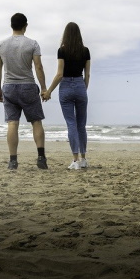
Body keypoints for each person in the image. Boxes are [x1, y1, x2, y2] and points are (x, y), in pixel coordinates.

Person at [0, 13, 48, 170]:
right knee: (36, 121)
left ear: (11, 25)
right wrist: (44, 88)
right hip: (28, 86)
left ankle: (13, 160)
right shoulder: (32, 44)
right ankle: (41, 157)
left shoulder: (0, 45)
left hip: (9, 86)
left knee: (12, 123)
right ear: (26, 25)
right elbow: (38, 67)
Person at [44, 22, 91, 170]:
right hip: (80, 85)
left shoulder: (62, 51)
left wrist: (49, 91)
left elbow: (59, 74)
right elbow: (87, 74)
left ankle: (75, 160)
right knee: (81, 124)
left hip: (65, 87)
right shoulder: (85, 51)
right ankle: (83, 159)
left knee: (71, 124)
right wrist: (83, 88)